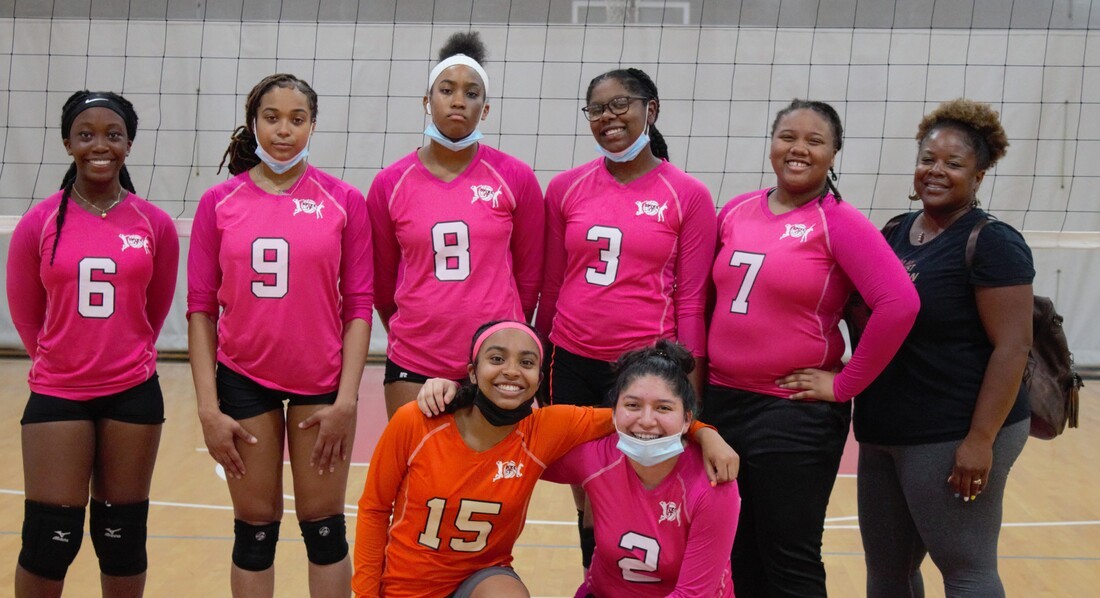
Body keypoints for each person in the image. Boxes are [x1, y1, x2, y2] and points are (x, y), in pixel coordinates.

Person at [701, 99, 920, 597]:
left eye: (814, 141)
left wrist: (845, 385)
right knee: (734, 551)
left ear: (833, 154)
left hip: (792, 414)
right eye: (787, 137)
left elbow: (899, 304)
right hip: (721, 406)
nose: (798, 148)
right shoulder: (736, 210)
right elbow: (707, 297)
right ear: (772, 145)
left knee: (789, 557)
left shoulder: (837, 221)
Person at [354, 321, 737, 598]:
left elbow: (638, 418)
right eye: (496, 358)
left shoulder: (547, 428)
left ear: (539, 380)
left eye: (526, 363)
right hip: (405, 584)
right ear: (472, 371)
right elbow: (373, 510)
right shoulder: (419, 420)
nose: (511, 371)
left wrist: (703, 431)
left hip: (482, 578)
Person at [187, 73, 372, 597]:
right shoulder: (218, 202)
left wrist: (347, 402)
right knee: (254, 530)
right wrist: (208, 409)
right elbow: (200, 309)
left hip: (321, 379)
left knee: (324, 527)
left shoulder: (343, 200)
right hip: (243, 378)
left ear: (313, 125)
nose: (284, 130)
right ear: (254, 123)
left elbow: (359, 306)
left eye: (297, 119)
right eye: (272, 118)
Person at [535, 66, 717, 569]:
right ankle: (596, 580)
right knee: (589, 490)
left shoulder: (687, 195)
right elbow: (552, 286)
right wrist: (539, 358)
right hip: (571, 360)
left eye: (621, 104)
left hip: (647, 369)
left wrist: (691, 387)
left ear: (650, 110)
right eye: (597, 109)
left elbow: (691, 301)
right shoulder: (565, 188)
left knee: (641, 488)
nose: (608, 117)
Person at [854, 98, 1033, 597]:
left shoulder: (992, 242)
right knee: (887, 572)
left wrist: (980, 440)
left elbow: (1013, 347)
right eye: (928, 159)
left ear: (978, 176)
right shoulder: (895, 232)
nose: (936, 171)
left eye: (953, 163)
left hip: (952, 429)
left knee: (966, 569)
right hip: (886, 425)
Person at [6, 90, 179, 597]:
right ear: (67, 143)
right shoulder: (39, 223)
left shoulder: (155, 224)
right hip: (59, 392)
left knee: (122, 538)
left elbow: (154, 310)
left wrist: (120, 354)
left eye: (113, 135)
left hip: (133, 392)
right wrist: (65, 361)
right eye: (86, 135)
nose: (99, 145)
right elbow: (26, 315)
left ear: (129, 144)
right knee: (48, 540)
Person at [367, 31, 544, 418]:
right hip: (416, 357)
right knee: (417, 458)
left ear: (486, 108)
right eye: (447, 90)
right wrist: (416, 326)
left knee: (495, 460)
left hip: (496, 359)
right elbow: (382, 285)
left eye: (471, 93)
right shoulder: (389, 184)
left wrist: (509, 337)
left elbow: (530, 277)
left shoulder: (515, 177)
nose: (459, 101)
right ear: (427, 102)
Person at [542, 339, 740, 597]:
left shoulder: (712, 482)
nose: (646, 421)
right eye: (632, 405)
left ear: (687, 420)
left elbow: (692, 594)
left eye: (663, 408)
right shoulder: (598, 457)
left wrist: (704, 433)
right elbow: (523, 455)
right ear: (613, 413)